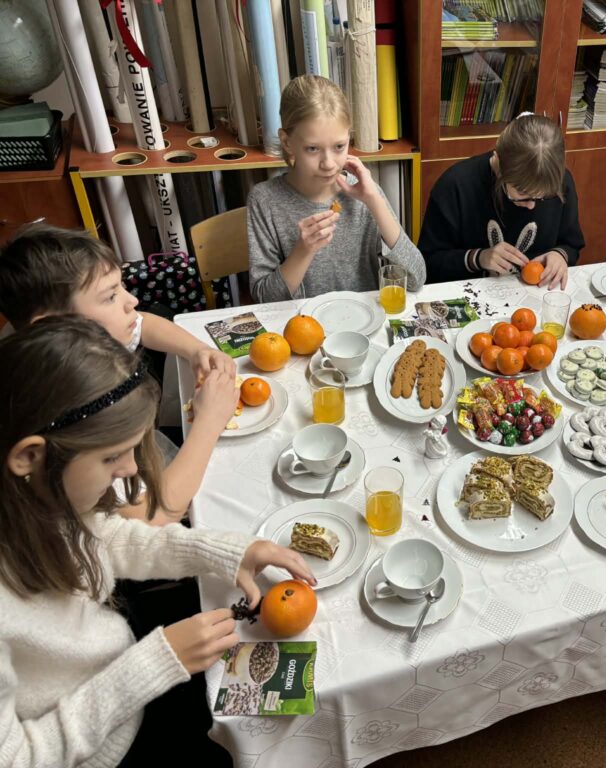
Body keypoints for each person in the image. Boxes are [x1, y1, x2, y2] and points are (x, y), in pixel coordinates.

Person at [0, 316, 316, 767]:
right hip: (106, 745)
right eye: (113, 456)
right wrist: (155, 664)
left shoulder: (38, 498)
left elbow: (107, 538)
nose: (131, 470)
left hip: (122, 667)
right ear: (30, 456)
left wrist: (226, 552)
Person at [0, 223, 239, 524]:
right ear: (54, 324)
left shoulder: (60, 342)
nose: (132, 301)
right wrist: (209, 422)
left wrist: (197, 350)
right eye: (110, 296)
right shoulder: (63, 403)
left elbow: (143, 322)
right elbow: (149, 516)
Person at [247, 74, 426, 302]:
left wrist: (375, 202)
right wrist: (303, 251)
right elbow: (265, 300)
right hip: (303, 322)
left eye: (339, 146)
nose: (329, 163)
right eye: (312, 149)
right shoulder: (264, 200)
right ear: (287, 142)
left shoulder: (366, 194)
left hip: (365, 319)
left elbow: (416, 278)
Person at [418, 113, 585, 290]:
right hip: (470, 294)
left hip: (537, 293)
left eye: (544, 196)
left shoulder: (559, 183)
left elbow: (571, 243)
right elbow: (428, 263)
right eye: (522, 193)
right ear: (498, 161)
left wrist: (560, 255)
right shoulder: (455, 186)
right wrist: (478, 258)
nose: (532, 205)